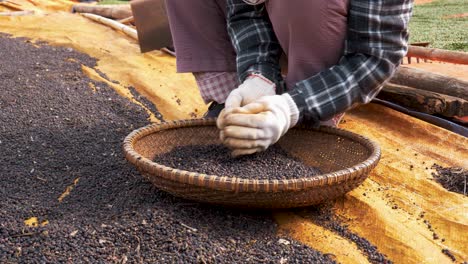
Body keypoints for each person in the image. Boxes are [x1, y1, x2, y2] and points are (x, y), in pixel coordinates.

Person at [165, 0, 413, 157]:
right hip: (280, 27)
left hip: (326, 36)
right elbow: (246, 12)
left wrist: (293, 107)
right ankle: (242, 108)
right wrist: (258, 76)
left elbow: (376, 55)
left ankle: (308, 118)